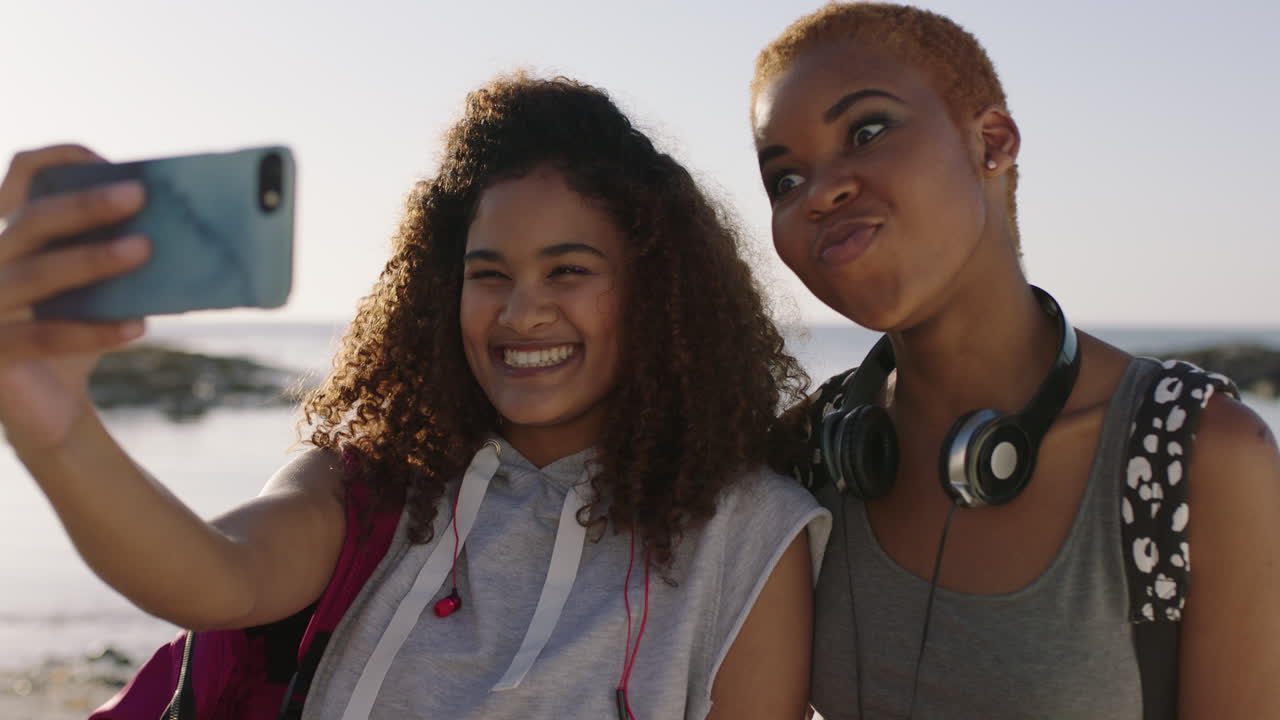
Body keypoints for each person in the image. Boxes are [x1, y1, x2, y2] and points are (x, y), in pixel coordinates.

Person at [0, 74, 830, 719]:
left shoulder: (751, 530)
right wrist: (58, 430)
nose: (520, 310)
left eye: (569, 271)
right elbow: (215, 578)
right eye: (488, 275)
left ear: (657, 295)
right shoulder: (369, 484)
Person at [748, 3, 1280, 719]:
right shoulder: (808, 457)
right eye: (784, 179)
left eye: (866, 131)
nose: (821, 192)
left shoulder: (1199, 456)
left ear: (991, 141)